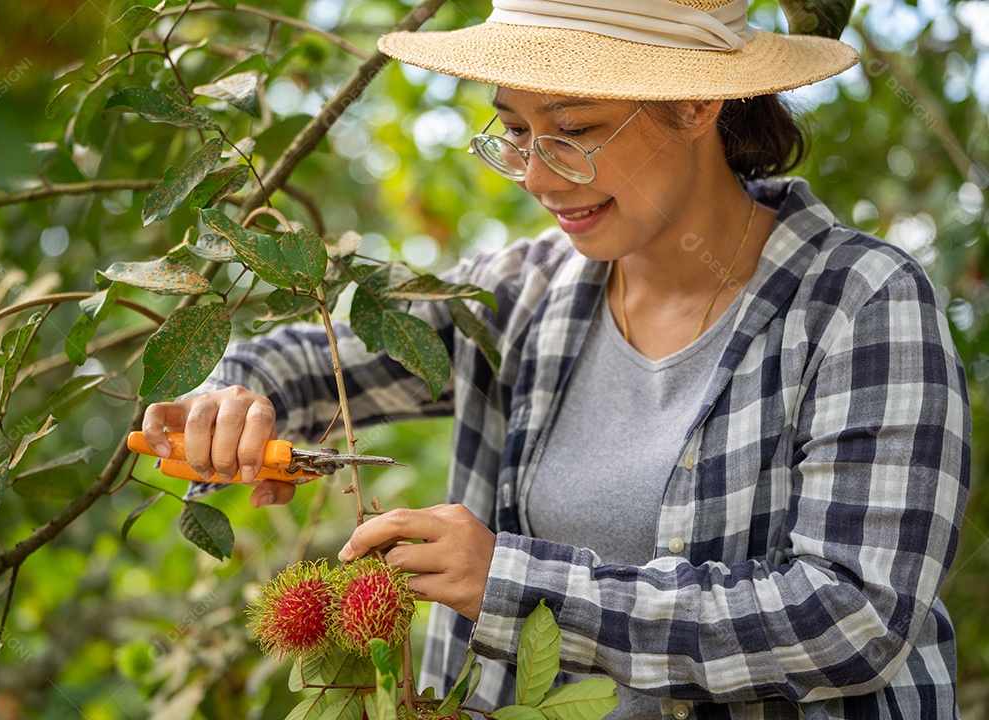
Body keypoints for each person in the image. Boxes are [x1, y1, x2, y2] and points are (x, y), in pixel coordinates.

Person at [141, 0, 971, 716]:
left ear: (696, 104)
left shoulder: (862, 305)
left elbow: (851, 618)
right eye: (512, 131)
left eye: (572, 132)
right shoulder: (524, 293)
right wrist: (236, 394)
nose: (535, 177)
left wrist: (512, 582)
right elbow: (321, 356)